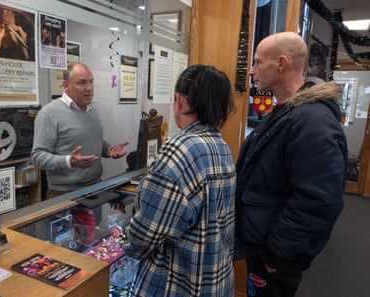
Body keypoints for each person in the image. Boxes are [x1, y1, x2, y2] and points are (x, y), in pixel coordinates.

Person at [235, 31, 348, 297]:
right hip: (261, 244)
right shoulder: (288, 112)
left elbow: (319, 201)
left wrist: (275, 254)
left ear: (282, 63)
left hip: (275, 254)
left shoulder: (312, 122)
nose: (251, 71)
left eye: (258, 62)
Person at [125, 64, 236, 297]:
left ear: (181, 101)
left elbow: (143, 236)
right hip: (215, 281)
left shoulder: (181, 149)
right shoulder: (221, 146)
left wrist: (124, 242)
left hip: (177, 284)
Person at [31, 61, 129, 197]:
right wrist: (68, 162)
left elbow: (92, 140)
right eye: (82, 83)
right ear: (66, 85)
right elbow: (37, 157)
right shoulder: (49, 113)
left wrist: (109, 150)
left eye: (91, 82)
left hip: (96, 187)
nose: (89, 88)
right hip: (65, 193)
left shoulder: (92, 109)